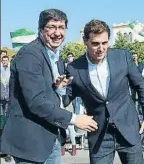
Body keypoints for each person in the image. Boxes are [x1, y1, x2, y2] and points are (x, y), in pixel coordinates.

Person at [0, 9, 97, 163]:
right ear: (40, 29)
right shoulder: (29, 55)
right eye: (52, 27)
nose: (57, 33)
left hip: (51, 138)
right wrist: (74, 119)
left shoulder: (56, 58)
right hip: (31, 143)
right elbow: (36, 102)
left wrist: (58, 88)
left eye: (61, 27)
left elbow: (52, 97)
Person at [61, 19, 144, 164]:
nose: (101, 48)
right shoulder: (74, 68)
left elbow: (141, 86)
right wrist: (59, 88)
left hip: (128, 128)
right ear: (85, 41)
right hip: (99, 135)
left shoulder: (122, 57)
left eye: (105, 43)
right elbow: (65, 99)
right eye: (95, 43)